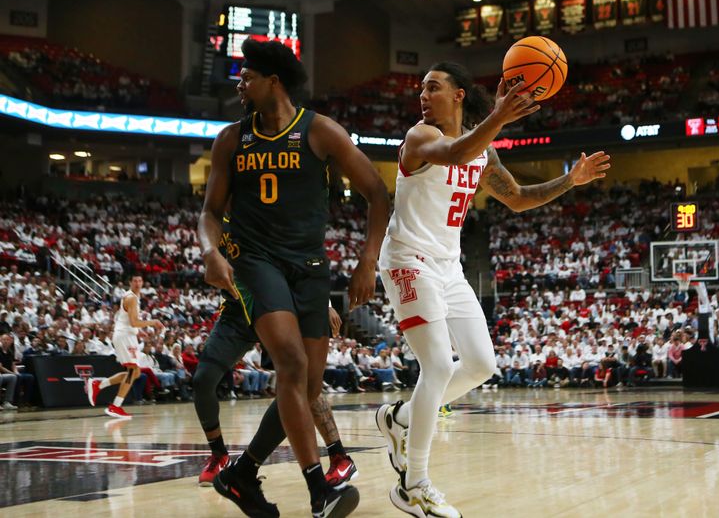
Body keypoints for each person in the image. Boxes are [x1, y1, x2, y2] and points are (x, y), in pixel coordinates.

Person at [375, 61, 610, 517]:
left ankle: (400, 418)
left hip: (447, 265)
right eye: (421, 88)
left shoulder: (485, 152)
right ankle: (414, 485)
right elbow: (457, 152)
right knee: (439, 365)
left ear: (459, 94)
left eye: (434, 87)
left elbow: (518, 198)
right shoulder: (419, 137)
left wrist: (571, 180)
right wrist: (498, 116)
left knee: (483, 364)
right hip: (407, 259)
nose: (423, 96)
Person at [198, 38, 389, 518]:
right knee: (290, 362)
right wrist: (210, 251)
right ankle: (318, 489)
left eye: (246, 77)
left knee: (305, 389)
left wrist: (367, 262)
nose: (239, 85)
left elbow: (378, 193)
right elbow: (210, 213)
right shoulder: (230, 140)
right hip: (255, 261)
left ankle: (241, 474)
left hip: (310, 268)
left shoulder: (320, 132)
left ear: (273, 82)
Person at [192, 233, 360, 492]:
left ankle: (338, 456)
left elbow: (298, 252)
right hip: (237, 311)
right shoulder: (217, 215)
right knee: (203, 379)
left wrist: (322, 303)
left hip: (275, 304)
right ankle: (219, 455)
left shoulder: (264, 209)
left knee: (299, 381)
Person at [86, 275, 164, 419]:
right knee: (132, 371)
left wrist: (138, 333)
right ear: (130, 282)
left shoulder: (134, 297)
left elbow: (128, 321)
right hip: (124, 337)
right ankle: (115, 406)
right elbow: (134, 322)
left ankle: (98, 385)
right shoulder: (131, 298)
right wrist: (153, 322)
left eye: (140, 280)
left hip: (127, 335)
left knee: (135, 373)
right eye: (135, 280)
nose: (138, 283)